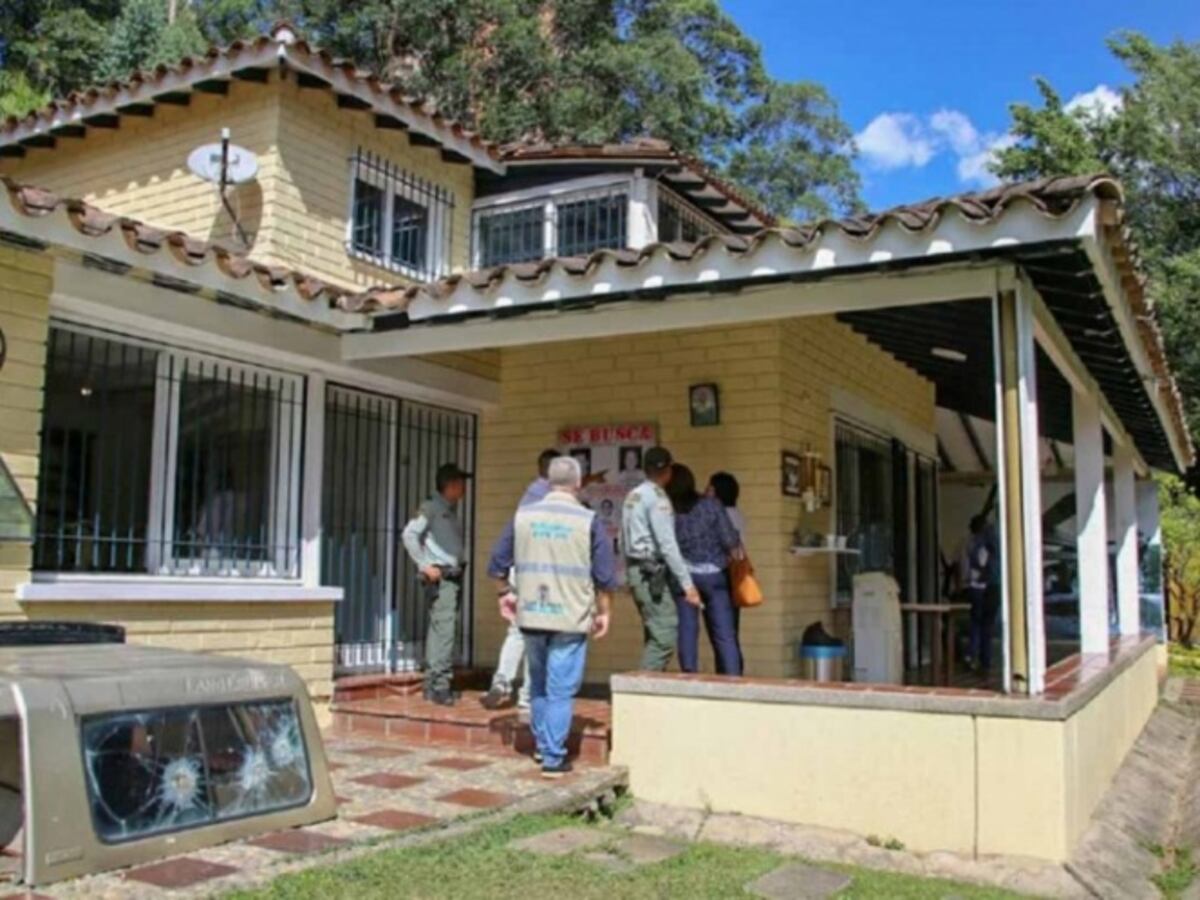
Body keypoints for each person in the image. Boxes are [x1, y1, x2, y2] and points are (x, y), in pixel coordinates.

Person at [487, 456, 616, 778]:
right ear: (577, 483)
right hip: (570, 617)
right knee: (560, 690)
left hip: (532, 615)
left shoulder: (523, 516)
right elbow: (604, 574)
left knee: (540, 686)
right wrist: (604, 612)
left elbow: (497, 561)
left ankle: (544, 747)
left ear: (547, 481)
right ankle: (553, 758)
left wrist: (505, 594)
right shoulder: (587, 520)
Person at [480, 448, 558, 711]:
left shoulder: (531, 494)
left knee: (517, 631)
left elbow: (506, 540)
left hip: (519, 570)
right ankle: (527, 695)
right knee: (539, 634)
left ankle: (501, 681)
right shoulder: (552, 499)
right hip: (540, 575)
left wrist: (501, 582)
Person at [622, 446, 700, 670]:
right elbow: (667, 545)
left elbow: (623, 536)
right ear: (668, 471)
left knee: (654, 633)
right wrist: (688, 585)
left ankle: (650, 690)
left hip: (638, 569)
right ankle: (641, 691)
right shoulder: (658, 499)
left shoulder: (633, 495)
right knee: (665, 633)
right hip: (650, 571)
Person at [401, 462, 470, 706]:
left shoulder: (448, 510)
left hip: (453, 575)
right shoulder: (431, 508)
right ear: (450, 485)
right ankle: (440, 685)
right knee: (445, 630)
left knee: (440, 630)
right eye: (461, 483)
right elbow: (409, 535)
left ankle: (433, 682)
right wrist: (424, 565)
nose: (464, 488)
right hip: (442, 577)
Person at [668, 465, 744, 675]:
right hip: (714, 575)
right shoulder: (711, 505)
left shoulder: (668, 510)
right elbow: (730, 539)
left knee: (688, 630)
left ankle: (689, 678)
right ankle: (733, 683)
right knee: (725, 635)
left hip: (685, 577)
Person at [707, 470, 747, 667]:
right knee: (731, 630)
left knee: (721, 633)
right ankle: (734, 669)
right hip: (735, 575)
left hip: (721, 574)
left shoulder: (718, 515)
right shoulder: (738, 515)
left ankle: (728, 673)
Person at [963, 514, 1001, 674]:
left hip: (978, 587)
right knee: (987, 625)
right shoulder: (995, 540)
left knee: (976, 624)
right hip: (993, 586)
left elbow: (977, 564)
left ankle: (973, 656)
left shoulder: (975, 543)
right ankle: (985, 659)